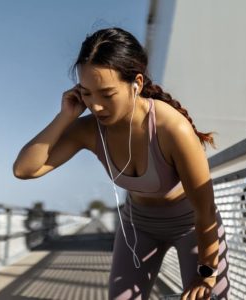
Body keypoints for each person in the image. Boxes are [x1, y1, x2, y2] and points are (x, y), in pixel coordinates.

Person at [13, 27, 230, 300]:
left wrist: (207, 275)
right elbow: (25, 169)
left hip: (191, 227)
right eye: (86, 94)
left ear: (136, 83)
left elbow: (205, 211)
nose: (96, 106)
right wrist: (65, 117)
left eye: (106, 94)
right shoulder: (90, 129)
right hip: (138, 227)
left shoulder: (171, 127)